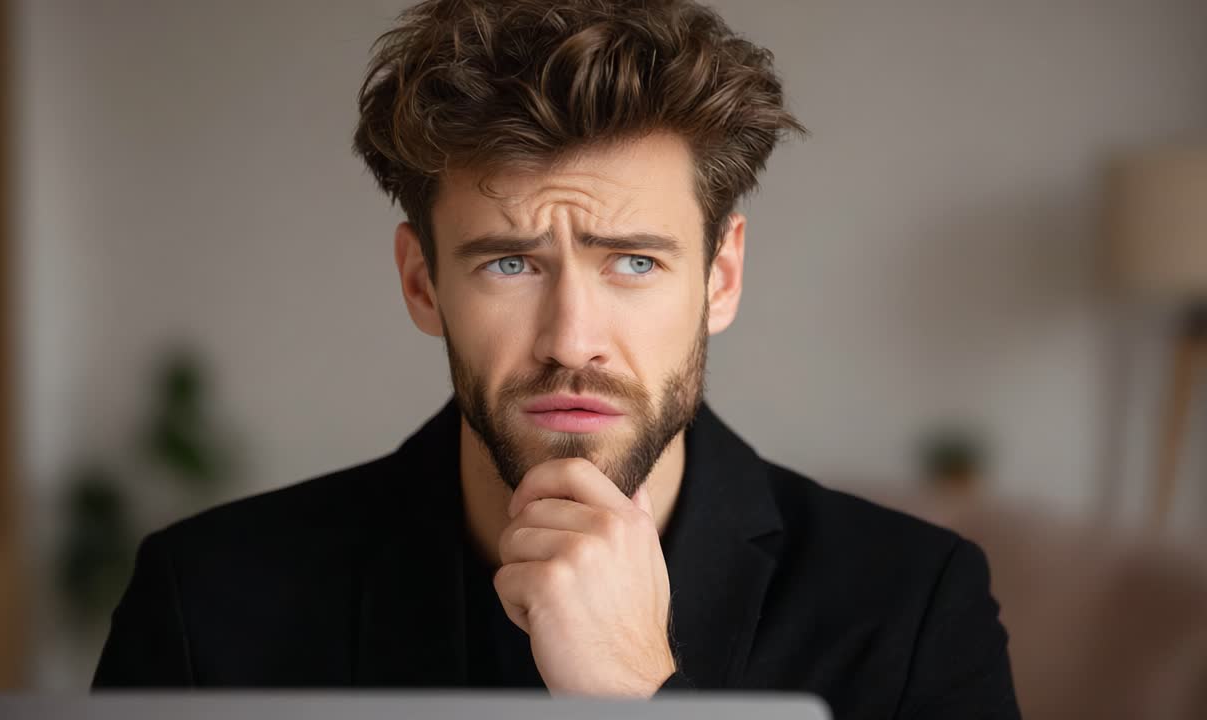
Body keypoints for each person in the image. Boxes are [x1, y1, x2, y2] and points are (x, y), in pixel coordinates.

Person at [93, 1, 1021, 717]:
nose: (571, 339)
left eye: (633, 261)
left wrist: (641, 694)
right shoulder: (206, 600)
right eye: (509, 261)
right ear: (422, 285)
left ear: (721, 277)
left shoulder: (913, 606)